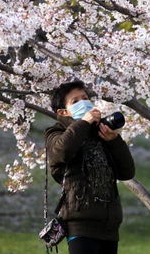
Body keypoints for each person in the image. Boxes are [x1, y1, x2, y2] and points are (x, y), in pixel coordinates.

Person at [45, 80, 135, 254]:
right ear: (63, 112)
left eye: (85, 98)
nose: (84, 103)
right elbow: (62, 151)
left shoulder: (101, 133)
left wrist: (115, 141)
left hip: (109, 226)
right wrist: (84, 122)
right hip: (80, 223)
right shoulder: (55, 132)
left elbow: (127, 172)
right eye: (75, 101)